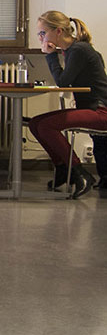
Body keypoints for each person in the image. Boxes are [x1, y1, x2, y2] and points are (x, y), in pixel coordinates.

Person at [28, 11, 107, 198]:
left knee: (46, 126)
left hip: (101, 111)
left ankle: (80, 173)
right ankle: (63, 169)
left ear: (58, 31)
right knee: (35, 124)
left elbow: (63, 82)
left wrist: (50, 56)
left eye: (43, 33)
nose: (41, 38)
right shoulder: (72, 51)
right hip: (90, 108)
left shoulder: (79, 50)